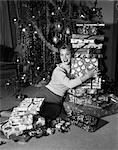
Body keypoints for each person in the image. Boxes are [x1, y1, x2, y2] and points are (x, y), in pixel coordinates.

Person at [35, 44, 99, 127]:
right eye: (62, 55)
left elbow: (82, 71)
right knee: (41, 115)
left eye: (67, 54)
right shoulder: (58, 70)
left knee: (56, 112)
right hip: (46, 94)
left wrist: (94, 72)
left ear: (71, 54)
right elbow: (70, 84)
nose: (64, 58)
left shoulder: (74, 66)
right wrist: (88, 76)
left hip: (57, 98)